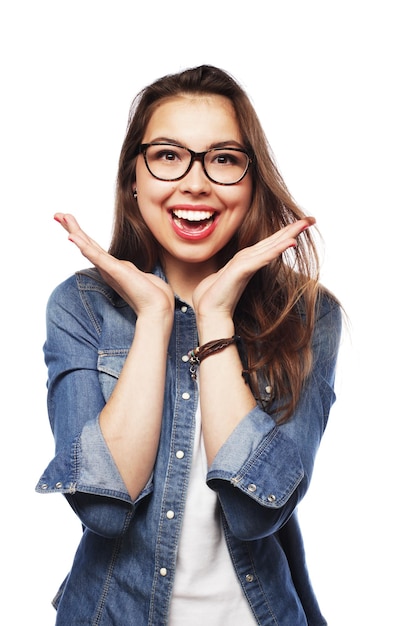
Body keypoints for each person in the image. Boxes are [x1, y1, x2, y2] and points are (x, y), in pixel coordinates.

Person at [36, 64, 342, 625]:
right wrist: (155, 317)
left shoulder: (306, 315)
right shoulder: (81, 308)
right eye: (169, 156)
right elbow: (103, 508)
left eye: (223, 159)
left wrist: (215, 318)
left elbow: (256, 512)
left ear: (251, 181)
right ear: (134, 177)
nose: (195, 183)